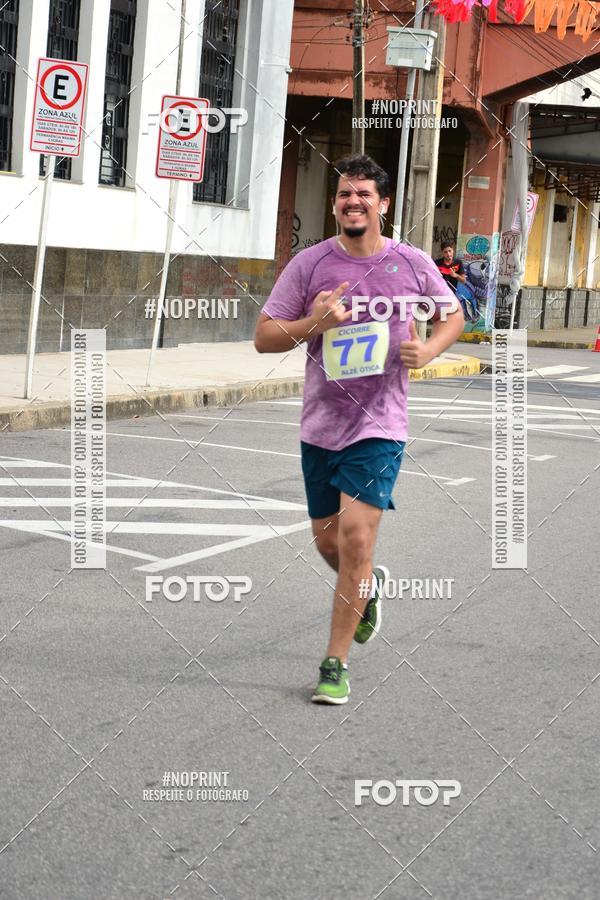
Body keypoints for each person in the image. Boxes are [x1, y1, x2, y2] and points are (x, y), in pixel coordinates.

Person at [254, 154, 464, 705]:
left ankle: (335, 664)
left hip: (381, 424)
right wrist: (315, 323)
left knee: (354, 539)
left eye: (364, 194)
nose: (354, 202)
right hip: (321, 425)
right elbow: (265, 337)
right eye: (345, 194)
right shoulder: (310, 265)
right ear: (335, 204)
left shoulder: (411, 262)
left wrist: (430, 349)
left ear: (383, 204)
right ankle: (367, 588)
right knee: (329, 543)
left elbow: (452, 314)